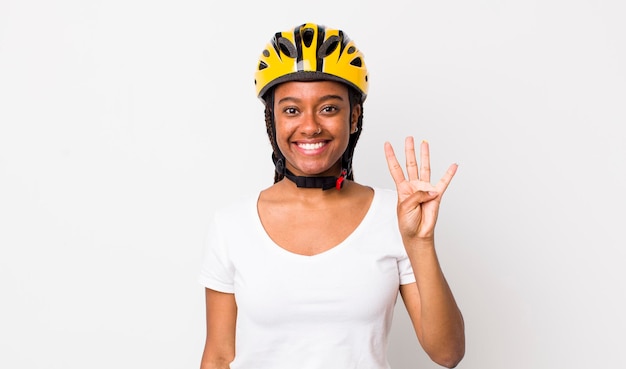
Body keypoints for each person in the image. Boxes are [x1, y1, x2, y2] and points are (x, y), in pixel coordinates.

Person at [198, 22, 465, 369]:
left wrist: (421, 243)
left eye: (328, 108)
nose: (310, 126)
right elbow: (218, 357)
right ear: (272, 120)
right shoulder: (231, 225)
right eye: (291, 110)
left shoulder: (395, 216)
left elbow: (447, 353)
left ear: (353, 117)